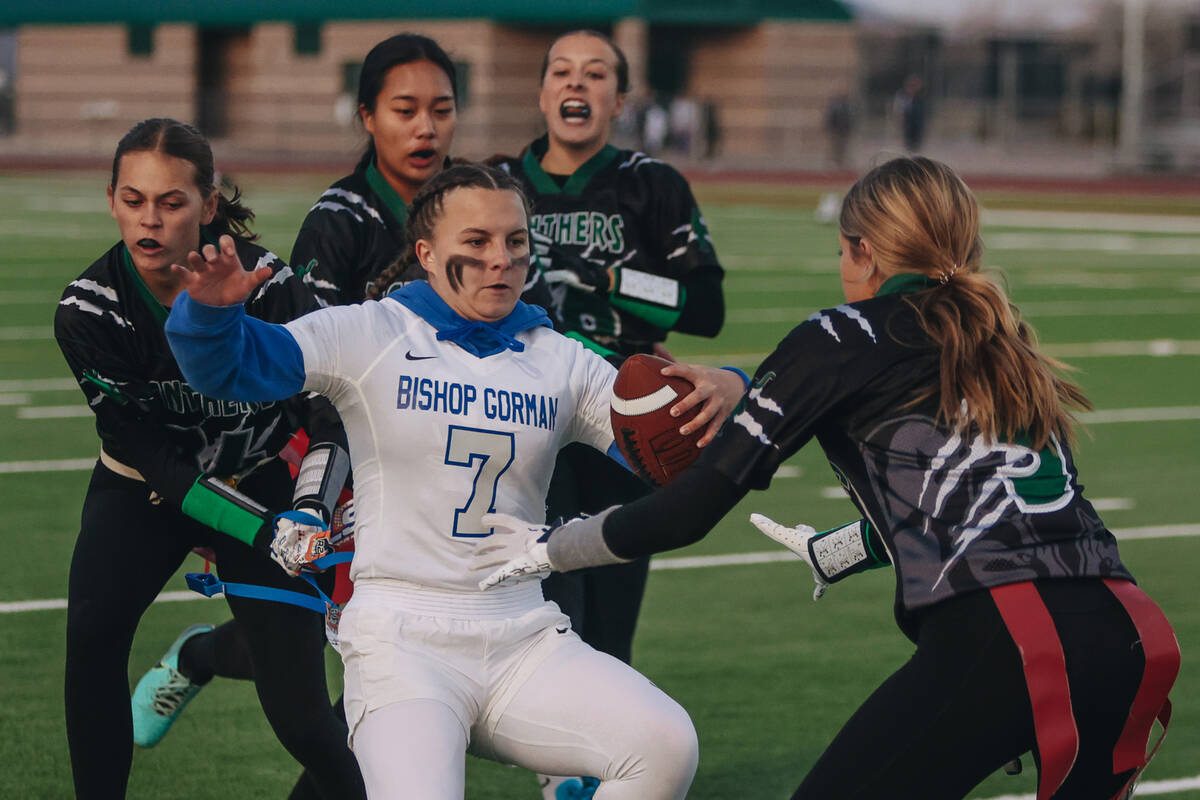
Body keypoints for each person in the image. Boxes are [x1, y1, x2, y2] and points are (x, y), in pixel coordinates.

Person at [480, 156, 1182, 800]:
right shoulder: (1001, 339)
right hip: (1129, 633)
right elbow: (988, 497)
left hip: (1008, 636)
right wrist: (842, 546)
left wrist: (548, 548)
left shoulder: (842, 335)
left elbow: (684, 514)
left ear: (863, 251)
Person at [162, 164, 748, 799]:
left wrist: (730, 390)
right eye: (476, 242)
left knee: (664, 744)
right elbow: (239, 369)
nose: (500, 259)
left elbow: (662, 451)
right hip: (402, 641)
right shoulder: (372, 332)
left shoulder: (559, 357)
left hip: (522, 633)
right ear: (426, 252)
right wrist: (210, 317)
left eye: (516, 242)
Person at [54, 118, 365, 799]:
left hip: (263, 478)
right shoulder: (89, 310)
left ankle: (200, 655)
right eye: (134, 200)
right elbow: (155, 459)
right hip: (146, 491)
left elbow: (328, 403)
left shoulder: (265, 283)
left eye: (171, 202)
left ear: (209, 204)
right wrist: (263, 531)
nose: (149, 221)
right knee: (92, 639)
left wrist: (308, 509)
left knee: (306, 722)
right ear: (112, 199)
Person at [496, 32, 727, 794]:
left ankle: (603, 761)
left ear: (619, 100)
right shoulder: (497, 180)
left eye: (597, 74)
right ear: (541, 91)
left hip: (625, 430)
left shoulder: (650, 182)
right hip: (528, 421)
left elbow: (706, 305)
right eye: (562, 70)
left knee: (612, 616)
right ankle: (560, 770)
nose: (578, 83)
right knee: (548, 605)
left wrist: (616, 281)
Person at [291, 32, 549, 309]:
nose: (426, 129)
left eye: (442, 111)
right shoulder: (337, 219)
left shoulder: (495, 203)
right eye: (405, 111)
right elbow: (309, 337)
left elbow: (540, 326)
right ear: (368, 116)